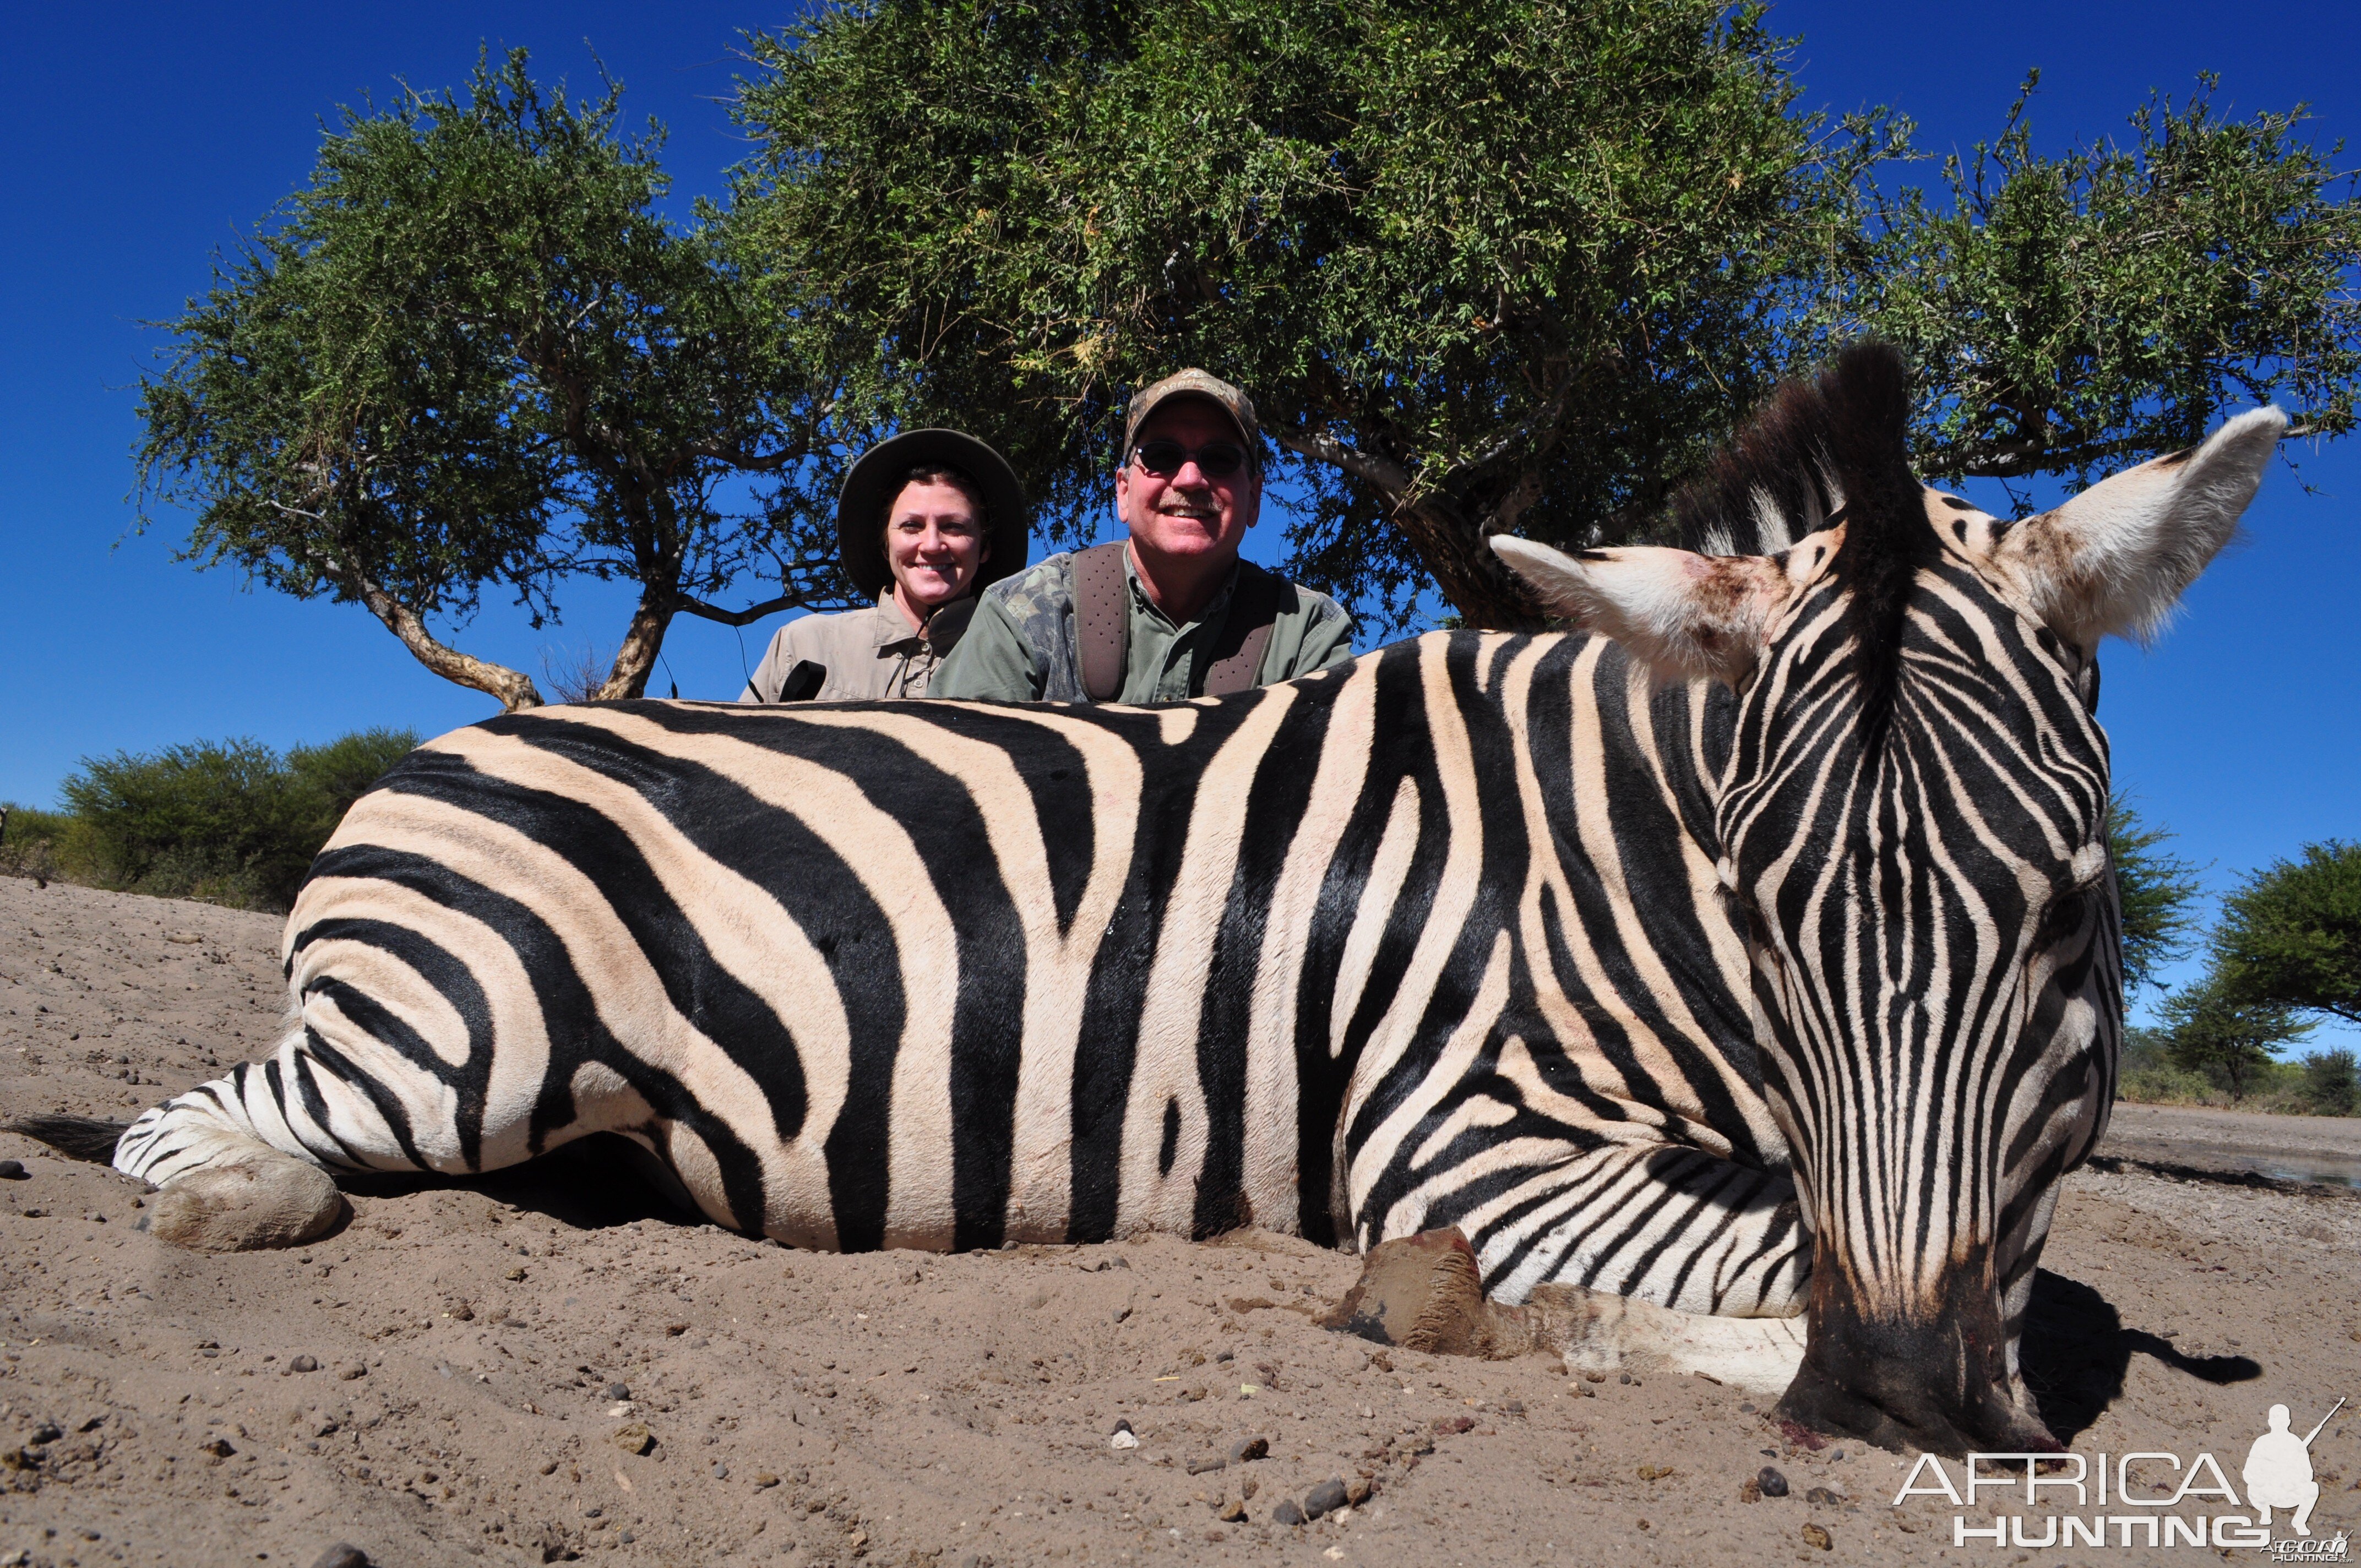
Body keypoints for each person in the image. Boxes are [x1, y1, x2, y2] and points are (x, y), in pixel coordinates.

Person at [930, 369, 1353, 704]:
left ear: (1255, 498)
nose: (1190, 479)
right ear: (1124, 491)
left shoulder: (1307, 635)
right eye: (1162, 456)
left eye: (1220, 460)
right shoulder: (1026, 615)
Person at [739, 429, 1027, 702]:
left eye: (953, 527)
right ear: (885, 543)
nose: (931, 545)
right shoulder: (805, 645)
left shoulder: (1022, 660)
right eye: (912, 526)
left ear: (985, 547)